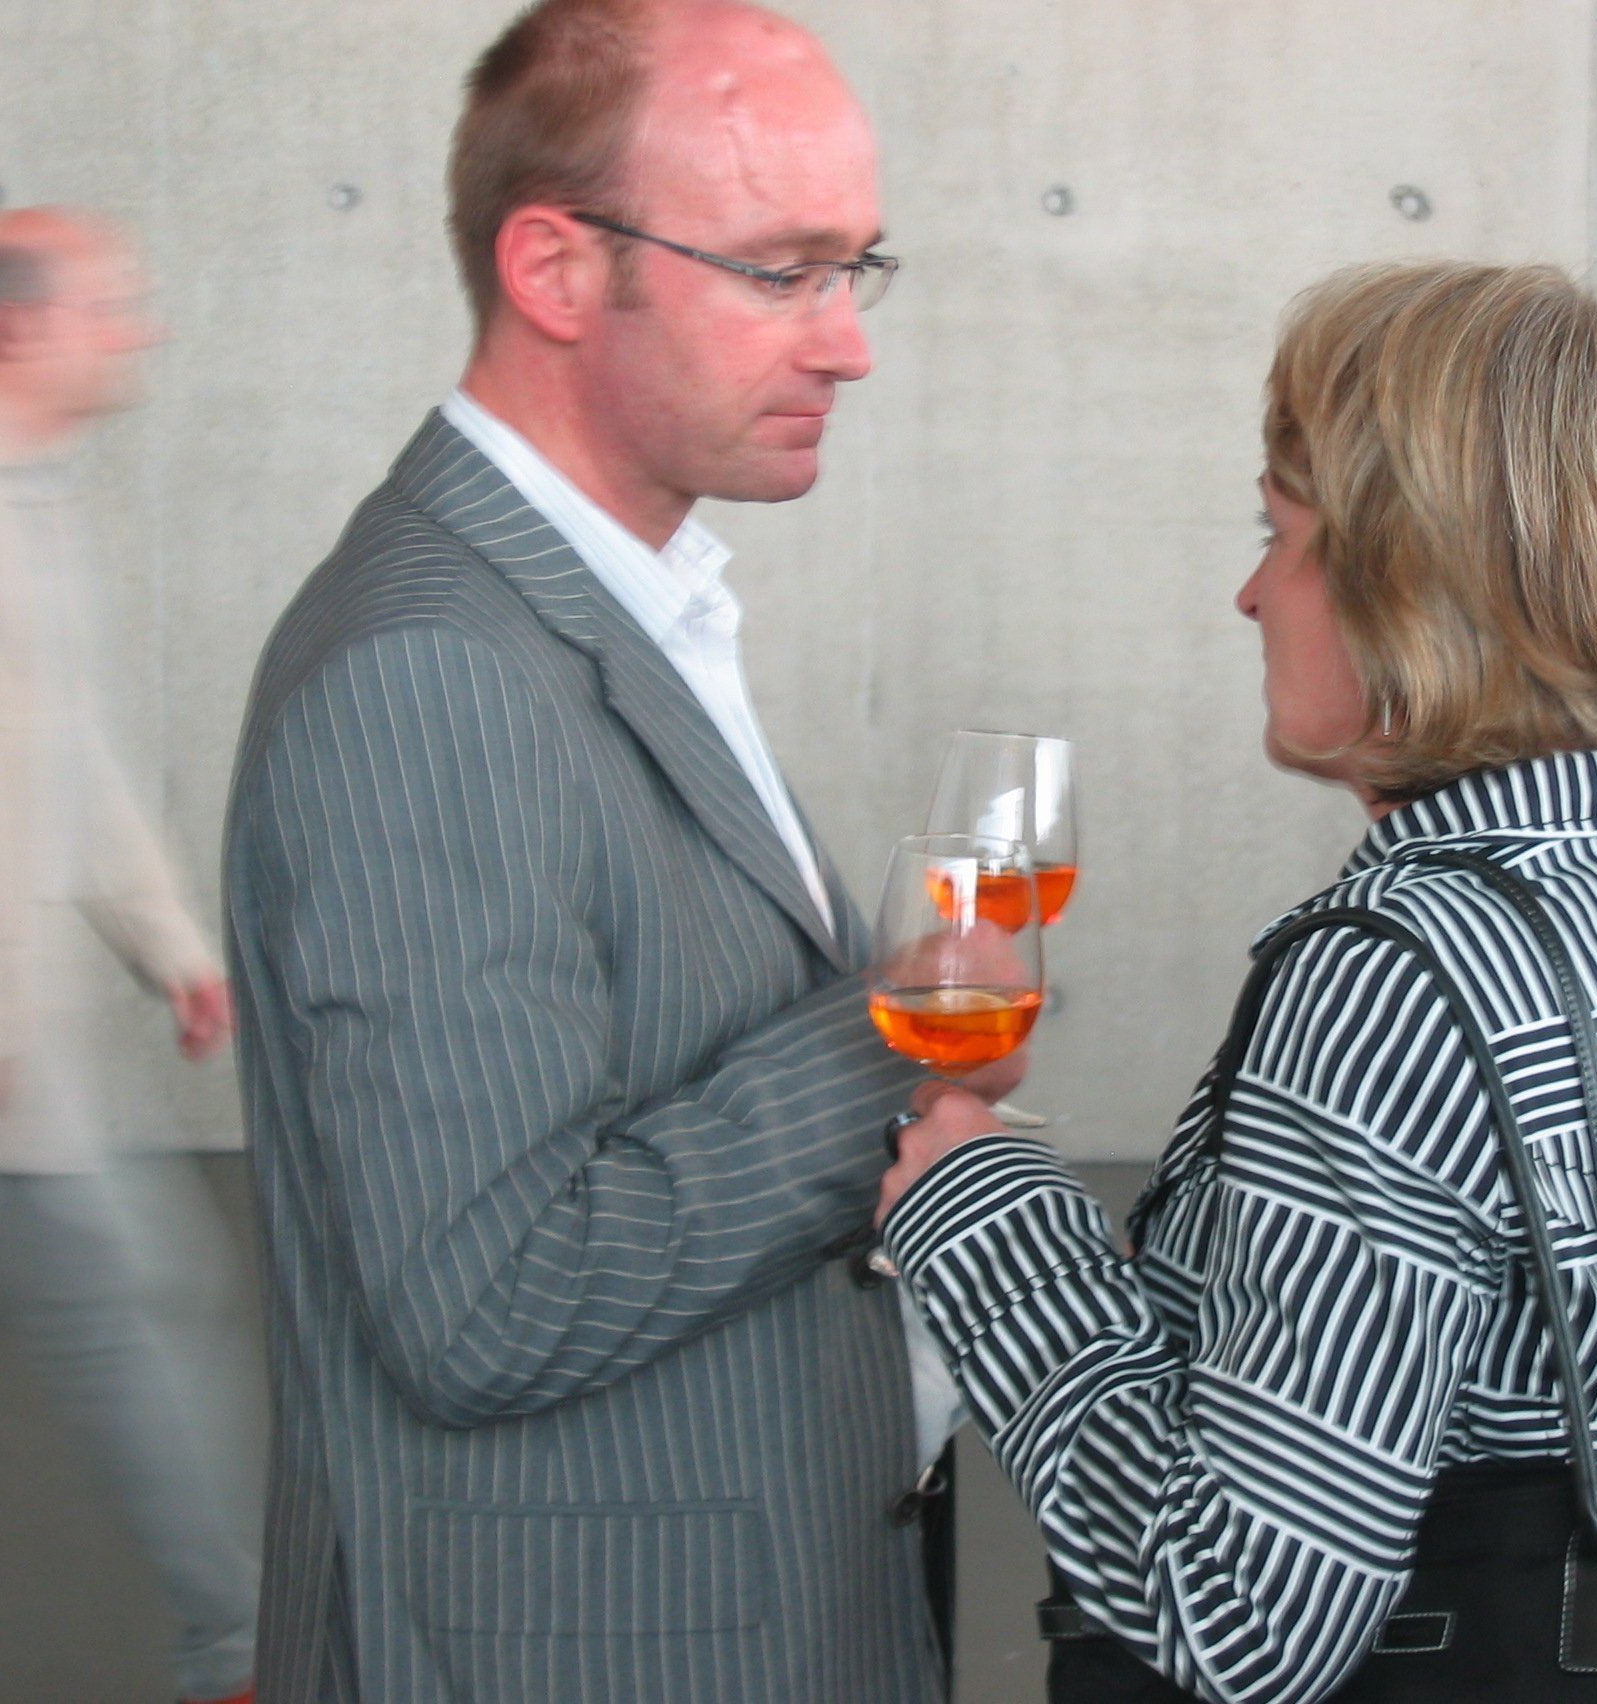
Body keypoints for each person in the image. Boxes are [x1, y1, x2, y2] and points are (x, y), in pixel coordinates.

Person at [877, 262, 1597, 1703]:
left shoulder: (1395, 978)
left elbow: (1242, 1614)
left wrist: (982, 1206)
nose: (1249, 592)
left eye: (1280, 534)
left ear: (1414, 584)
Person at [222, 3, 993, 1697]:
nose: (847, 345)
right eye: (782, 272)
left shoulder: (608, 605)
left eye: (857, 269)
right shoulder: (432, 671)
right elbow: (488, 1296)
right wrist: (894, 1035)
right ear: (557, 270)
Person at [0, 207, 257, 1704]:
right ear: (20, 326)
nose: (138, 329)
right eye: (111, 304)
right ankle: (238, 1649)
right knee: (125, 1314)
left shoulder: (29, 492)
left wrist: (169, 946)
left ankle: (236, 1644)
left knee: (127, 1308)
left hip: (21, 1065)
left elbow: (60, 751)